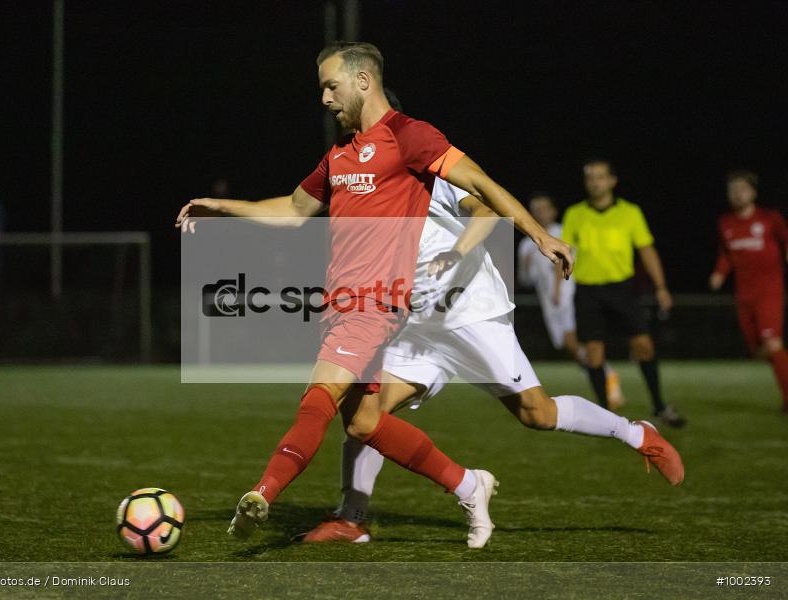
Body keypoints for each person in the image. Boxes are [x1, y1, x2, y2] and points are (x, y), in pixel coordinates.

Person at [176, 41, 573, 547]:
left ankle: (263, 493)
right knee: (365, 424)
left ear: (363, 81)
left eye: (330, 85)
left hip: (376, 304)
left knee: (317, 399)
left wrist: (541, 236)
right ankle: (470, 485)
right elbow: (293, 211)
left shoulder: (411, 137)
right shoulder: (338, 156)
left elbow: (484, 187)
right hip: (339, 304)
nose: (323, 98)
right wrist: (222, 207)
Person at [303, 177, 683, 544]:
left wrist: (455, 252)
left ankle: (637, 433)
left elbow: (484, 211)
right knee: (364, 416)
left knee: (538, 414)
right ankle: (351, 518)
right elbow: (299, 209)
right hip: (418, 326)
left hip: (472, 315)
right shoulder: (363, 188)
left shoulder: (431, 177)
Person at [561, 159, 686, 427]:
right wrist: (557, 286)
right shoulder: (574, 213)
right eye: (590, 177)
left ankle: (659, 405)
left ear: (612, 181)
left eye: (601, 177)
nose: (595, 182)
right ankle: (604, 414)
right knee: (594, 352)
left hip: (622, 289)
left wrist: (661, 286)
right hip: (588, 291)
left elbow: (647, 250)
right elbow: (564, 251)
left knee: (643, 345)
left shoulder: (630, 212)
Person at [517, 193, 624, 409]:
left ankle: (608, 377)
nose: (539, 213)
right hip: (548, 301)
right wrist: (527, 266)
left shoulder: (558, 232)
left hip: (565, 295)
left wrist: (557, 290)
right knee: (569, 347)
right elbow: (525, 279)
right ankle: (604, 376)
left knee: (571, 340)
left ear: (553, 211)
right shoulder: (526, 243)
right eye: (535, 209)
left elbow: (561, 262)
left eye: (544, 208)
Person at [710, 170, 788, 413]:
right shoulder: (726, 223)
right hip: (743, 294)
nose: (737, 194)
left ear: (753, 192)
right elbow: (726, 254)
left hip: (769, 291)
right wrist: (719, 273)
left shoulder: (769, 218)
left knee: (773, 343)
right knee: (759, 350)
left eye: (742, 189)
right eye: (733, 190)